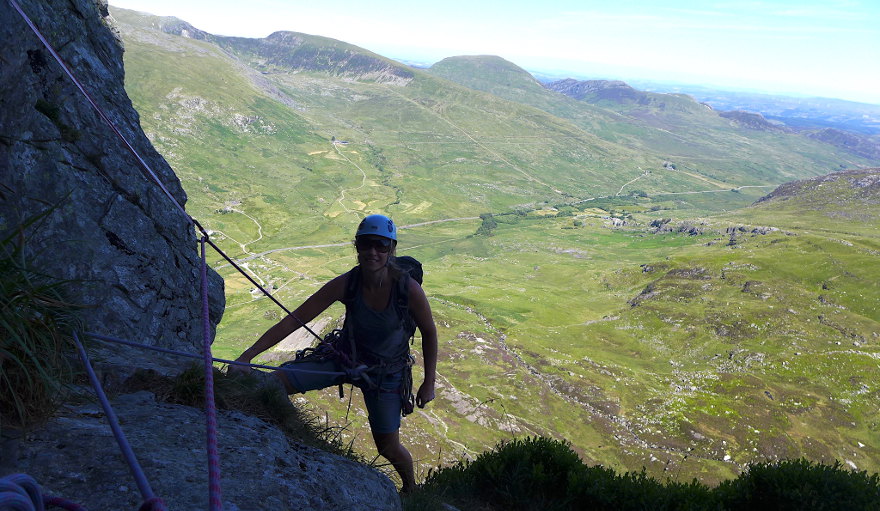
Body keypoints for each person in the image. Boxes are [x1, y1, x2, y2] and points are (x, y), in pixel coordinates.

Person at [230, 214, 438, 493]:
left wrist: (429, 382)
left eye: (381, 246)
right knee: (275, 382)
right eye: (366, 244)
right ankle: (292, 434)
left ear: (392, 249)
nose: (373, 252)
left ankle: (411, 488)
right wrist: (248, 355)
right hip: (345, 359)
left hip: (385, 374)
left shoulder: (407, 289)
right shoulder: (347, 283)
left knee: (388, 446)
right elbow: (295, 319)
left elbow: (430, 332)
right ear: (357, 246)